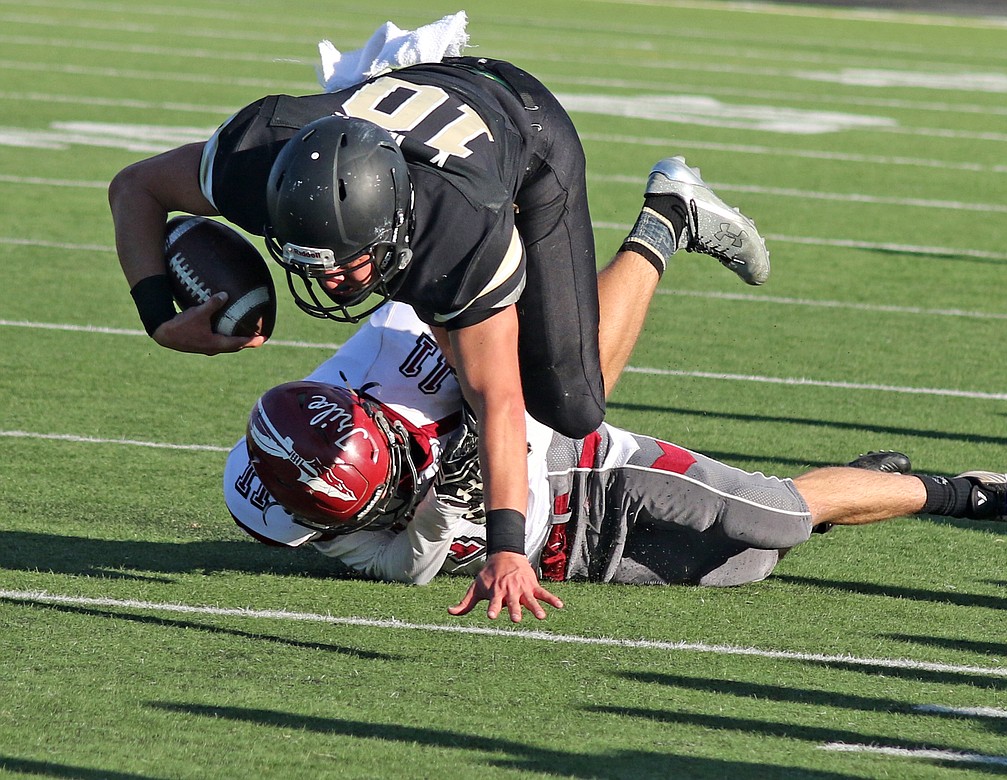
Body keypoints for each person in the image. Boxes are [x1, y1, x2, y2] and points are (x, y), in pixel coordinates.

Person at [107, 19, 770, 621]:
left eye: (349, 264)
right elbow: (134, 187)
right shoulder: (254, 159)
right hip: (403, 124)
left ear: (393, 228)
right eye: (313, 263)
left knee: (567, 402)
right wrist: (158, 315)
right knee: (455, 336)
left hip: (525, 132)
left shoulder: (454, 238)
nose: (331, 283)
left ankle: (668, 214)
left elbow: (500, 397)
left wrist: (506, 547)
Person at [225, 300, 1007, 604]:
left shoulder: (399, 351)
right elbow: (402, 564)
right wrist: (448, 506)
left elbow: (522, 375)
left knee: (775, 520)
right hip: (561, 555)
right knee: (746, 567)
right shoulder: (278, 506)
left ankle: (970, 493)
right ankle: (869, 484)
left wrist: (476, 456)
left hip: (581, 472)